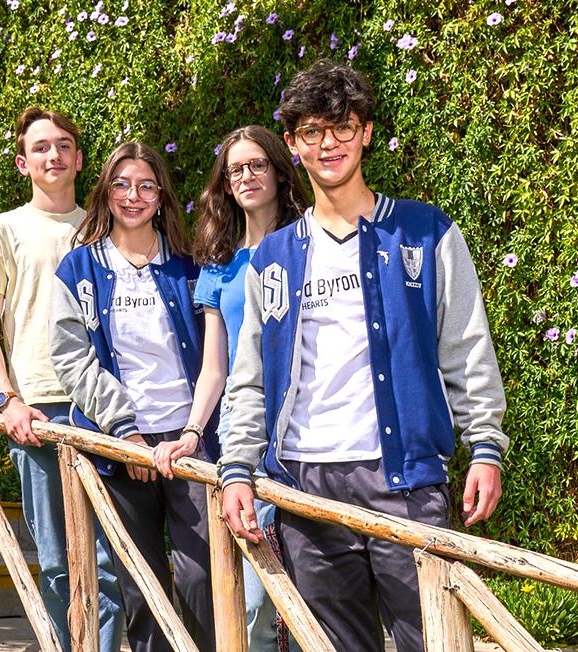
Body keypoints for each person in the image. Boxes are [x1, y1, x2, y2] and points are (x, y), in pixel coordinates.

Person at [216, 61, 510, 652]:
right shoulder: (273, 257)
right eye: (312, 131)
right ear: (293, 144)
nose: (329, 144)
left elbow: (466, 347)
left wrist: (485, 446)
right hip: (305, 485)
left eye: (343, 127)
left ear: (366, 132)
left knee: (431, 640)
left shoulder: (426, 233)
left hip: (403, 480)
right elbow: (250, 379)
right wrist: (236, 467)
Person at [0, 107, 124, 652]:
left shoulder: (105, 228)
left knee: (109, 558)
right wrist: (7, 400)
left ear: (80, 158)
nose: (53, 155)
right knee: (56, 561)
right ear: (22, 163)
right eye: (40, 147)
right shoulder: (1, 230)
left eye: (63, 145)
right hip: (36, 412)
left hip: (102, 408)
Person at [49, 142, 218, 652]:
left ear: (162, 196)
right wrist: (125, 430)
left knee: (202, 577)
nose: (133, 196)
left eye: (146, 186)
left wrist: (193, 431)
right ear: (105, 192)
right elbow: (71, 360)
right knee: (141, 585)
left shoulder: (190, 266)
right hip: (119, 442)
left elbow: (217, 353)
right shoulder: (79, 270)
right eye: (121, 184)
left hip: (190, 440)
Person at [152, 125, 307, 651]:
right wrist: (193, 431)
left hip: (310, 433)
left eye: (257, 164)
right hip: (247, 440)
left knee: (316, 590)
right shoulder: (219, 265)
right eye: (235, 169)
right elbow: (214, 367)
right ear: (224, 183)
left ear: (280, 171)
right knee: (259, 599)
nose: (246, 176)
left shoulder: (309, 242)